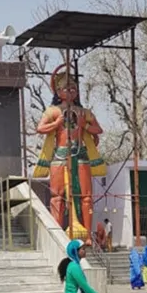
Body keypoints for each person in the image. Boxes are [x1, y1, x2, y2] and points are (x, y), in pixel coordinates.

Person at [33, 65, 107, 239]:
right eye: (66, 88)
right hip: (59, 155)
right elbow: (40, 128)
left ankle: (87, 235)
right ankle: (58, 234)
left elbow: (98, 130)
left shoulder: (84, 112)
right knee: (57, 196)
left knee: (86, 196)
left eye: (73, 88)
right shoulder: (52, 111)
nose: (71, 90)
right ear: (58, 91)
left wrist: (84, 125)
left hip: (80, 155)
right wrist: (57, 123)